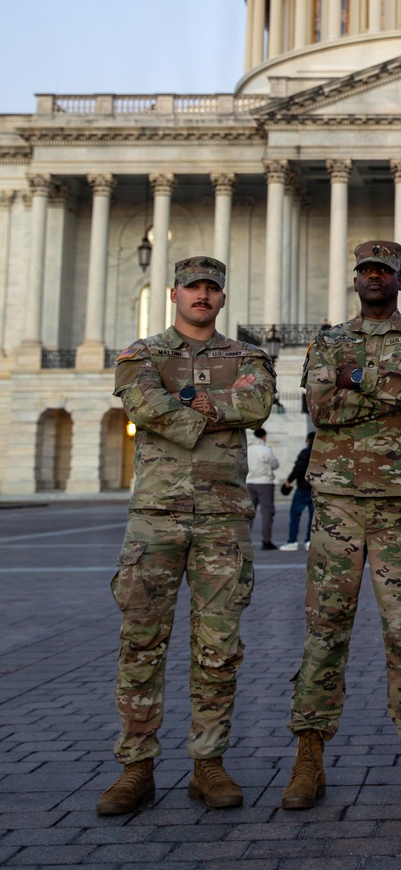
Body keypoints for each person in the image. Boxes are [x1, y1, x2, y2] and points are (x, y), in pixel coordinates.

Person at [96, 256, 275, 816]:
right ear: (173, 293)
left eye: (211, 289)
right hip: (156, 517)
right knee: (141, 643)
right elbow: (143, 405)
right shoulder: (141, 354)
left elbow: (258, 402)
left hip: (223, 518)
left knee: (219, 648)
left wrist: (182, 401)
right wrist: (216, 411)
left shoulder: (248, 356)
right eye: (193, 287)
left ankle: (208, 763)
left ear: (222, 297)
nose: (202, 295)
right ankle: (136, 768)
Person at [282, 241, 401, 811]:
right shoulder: (328, 341)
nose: (375, 278)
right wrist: (390, 391)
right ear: (356, 280)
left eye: (385, 272)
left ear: (400, 281)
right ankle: (309, 754)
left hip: (400, 504)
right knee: (325, 629)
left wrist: (358, 379)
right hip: (336, 502)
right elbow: (322, 408)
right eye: (367, 271)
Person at [279, 431, 316, 550]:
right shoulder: (320, 454)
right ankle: (309, 541)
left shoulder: (305, 452)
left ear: (308, 441)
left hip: (303, 488)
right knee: (313, 516)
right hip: (316, 489)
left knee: (295, 514)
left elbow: (298, 468)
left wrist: (289, 481)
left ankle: (292, 541)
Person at [247, 428, 280, 548]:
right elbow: (275, 464)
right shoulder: (265, 450)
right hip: (264, 482)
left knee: (249, 513)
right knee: (267, 513)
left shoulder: (247, 449)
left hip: (249, 482)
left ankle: (246, 540)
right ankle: (266, 540)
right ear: (264, 437)